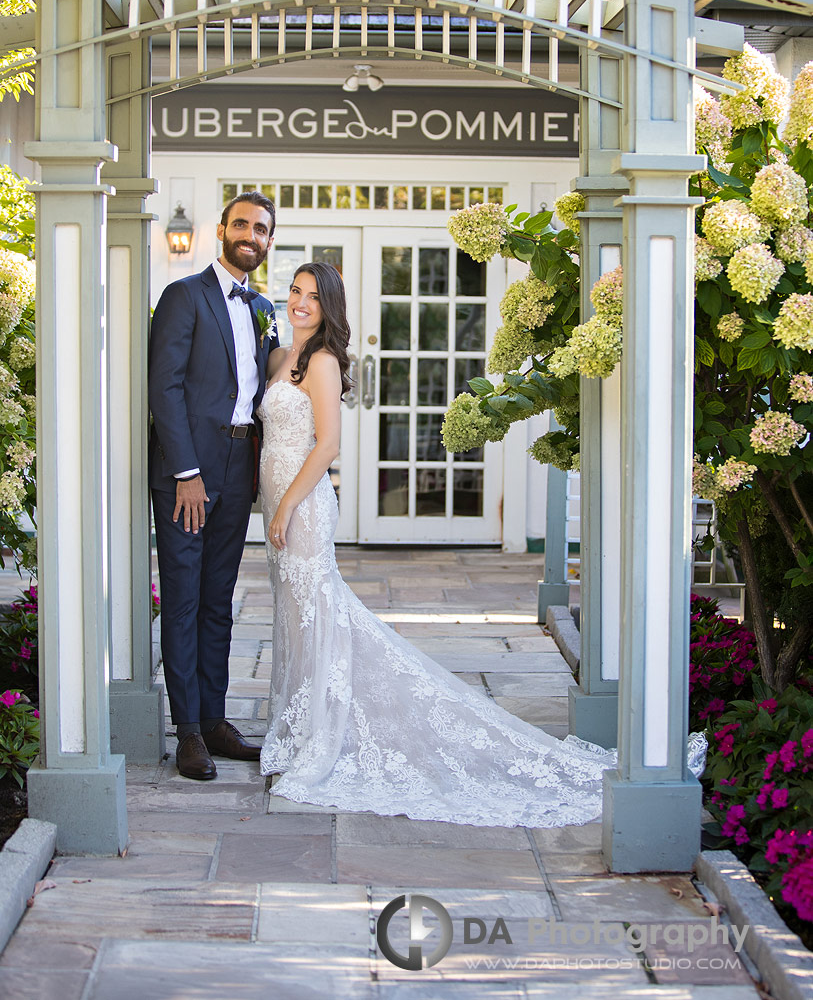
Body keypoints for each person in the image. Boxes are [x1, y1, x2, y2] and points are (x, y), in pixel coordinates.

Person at [259, 262, 707, 826]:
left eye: (312, 296)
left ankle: (322, 736)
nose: (300, 303)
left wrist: (284, 505)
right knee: (295, 618)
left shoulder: (321, 362)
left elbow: (326, 447)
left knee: (317, 614)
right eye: (295, 292)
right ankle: (298, 726)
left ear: (328, 308)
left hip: (301, 509)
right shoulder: (279, 358)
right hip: (281, 508)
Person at [149, 190, 279, 781]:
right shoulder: (183, 296)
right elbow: (166, 389)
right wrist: (186, 473)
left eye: (261, 229)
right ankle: (189, 733)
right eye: (241, 224)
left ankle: (216, 718)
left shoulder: (263, 306)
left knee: (218, 600)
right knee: (181, 598)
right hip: (190, 474)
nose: (250, 235)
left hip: (238, 464)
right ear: (221, 230)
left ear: (268, 241)